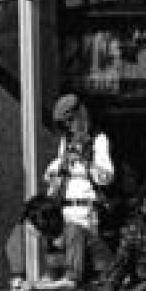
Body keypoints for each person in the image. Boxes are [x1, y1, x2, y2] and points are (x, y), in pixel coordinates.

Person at [43, 94, 114, 233]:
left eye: (70, 121)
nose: (68, 126)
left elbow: (106, 179)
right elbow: (50, 179)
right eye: (64, 123)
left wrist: (85, 161)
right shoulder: (65, 142)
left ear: (80, 117)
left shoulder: (98, 139)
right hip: (65, 212)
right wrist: (63, 164)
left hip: (86, 212)